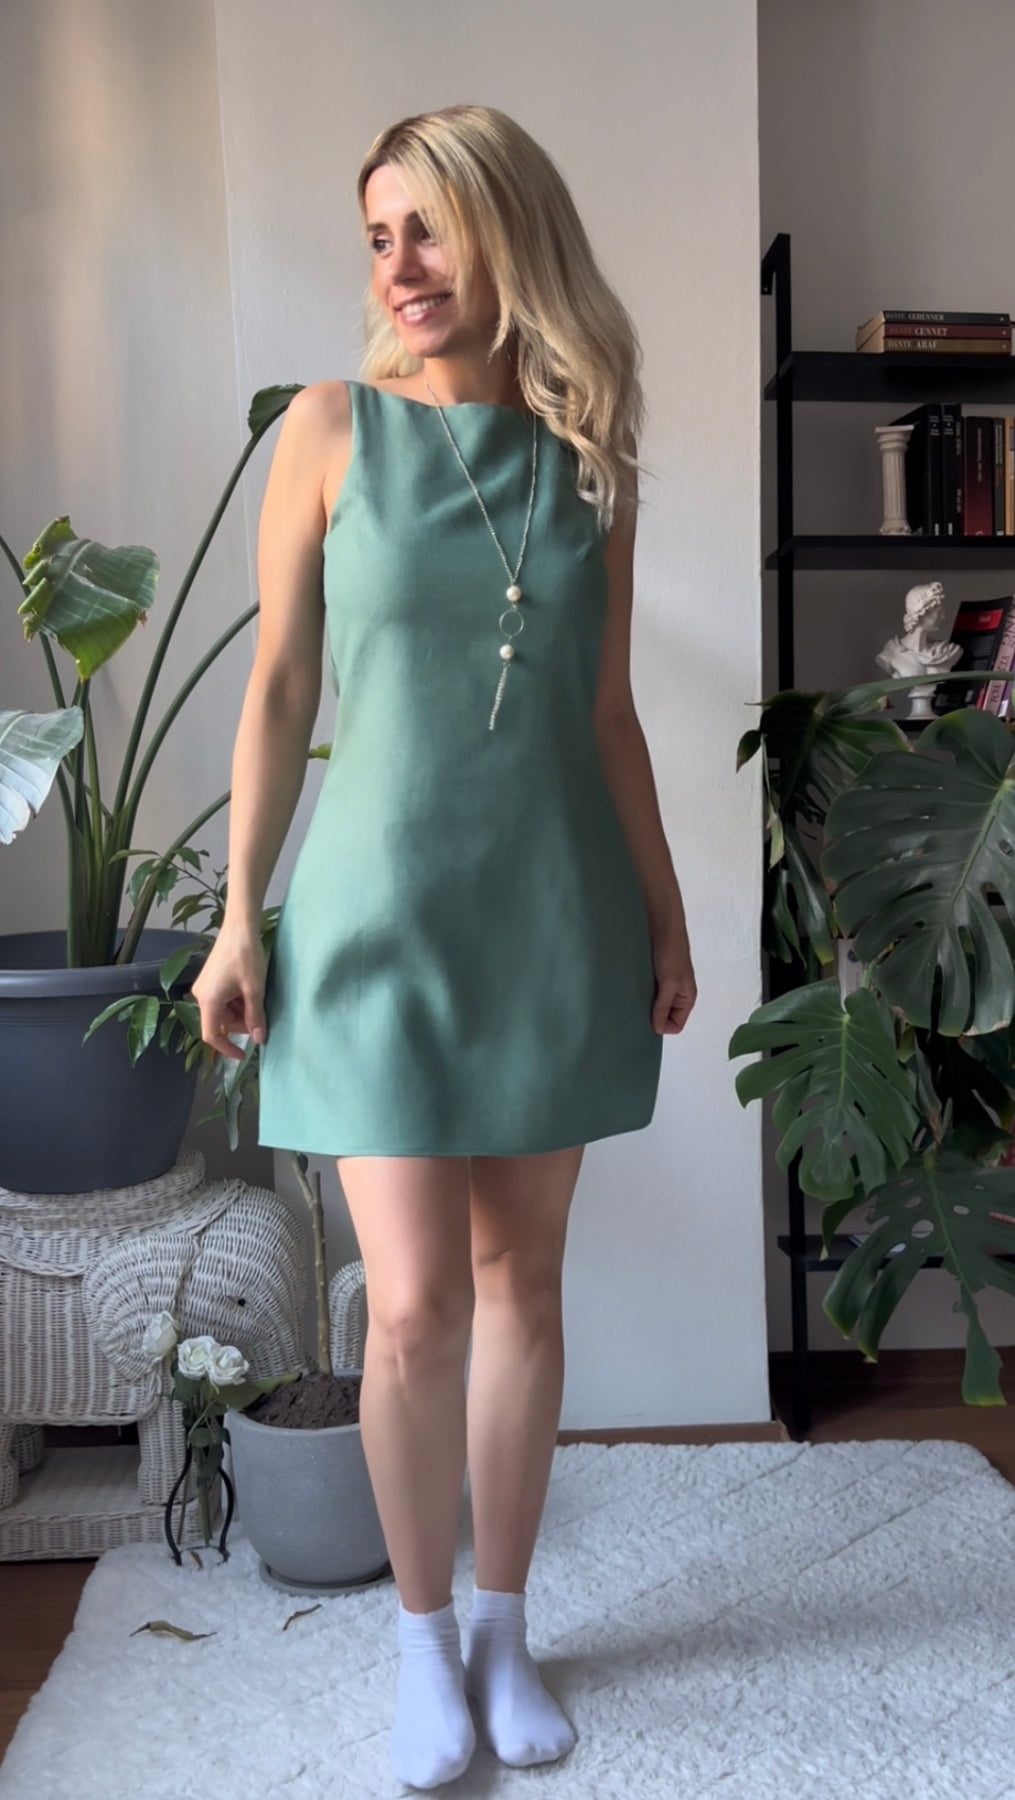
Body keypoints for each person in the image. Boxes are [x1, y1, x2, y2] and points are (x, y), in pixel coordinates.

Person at [191, 103, 696, 1792]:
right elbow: (280, 687)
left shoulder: (592, 462)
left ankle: (501, 1626)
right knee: (408, 1305)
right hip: (375, 922)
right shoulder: (330, 430)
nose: (398, 266)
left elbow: (609, 713)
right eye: (376, 237)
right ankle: (419, 1645)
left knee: (520, 1286)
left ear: (508, 229)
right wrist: (238, 914)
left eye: (427, 227)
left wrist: (666, 908)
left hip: (553, 909)